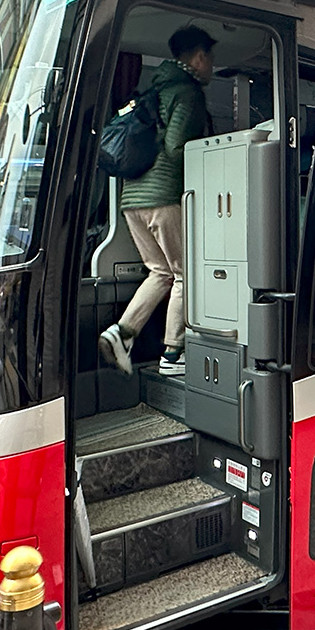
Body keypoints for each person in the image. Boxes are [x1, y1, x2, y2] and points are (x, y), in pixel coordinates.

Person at [99, 25, 214, 376]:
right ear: (198, 57)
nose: (211, 66)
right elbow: (178, 147)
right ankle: (173, 355)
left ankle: (122, 332)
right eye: (210, 58)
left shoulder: (154, 89)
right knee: (184, 274)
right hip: (163, 196)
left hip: (131, 198)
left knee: (160, 271)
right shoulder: (188, 93)